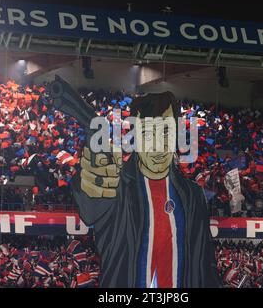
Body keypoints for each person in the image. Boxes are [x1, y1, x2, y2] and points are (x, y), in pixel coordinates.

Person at [73, 91, 219, 288]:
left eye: (166, 132)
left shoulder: (193, 195)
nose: (158, 146)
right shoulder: (116, 184)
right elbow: (90, 209)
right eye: (147, 133)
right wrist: (86, 182)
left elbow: (205, 266)